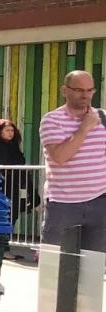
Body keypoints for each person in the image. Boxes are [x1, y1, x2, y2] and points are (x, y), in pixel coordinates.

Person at [39, 71, 106, 253]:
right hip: (63, 203)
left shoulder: (103, 118)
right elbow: (60, 157)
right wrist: (83, 129)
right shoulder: (52, 120)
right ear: (64, 91)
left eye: (90, 90)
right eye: (78, 90)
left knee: (93, 268)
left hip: (100, 201)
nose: (85, 95)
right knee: (53, 266)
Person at [0, 119, 35, 229]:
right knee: (7, 211)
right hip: (2, 184)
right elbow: (3, 162)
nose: (10, 133)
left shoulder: (13, 146)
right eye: (7, 130)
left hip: (15, 183)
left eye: (12, 130)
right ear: (0, 132)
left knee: (14, 210)